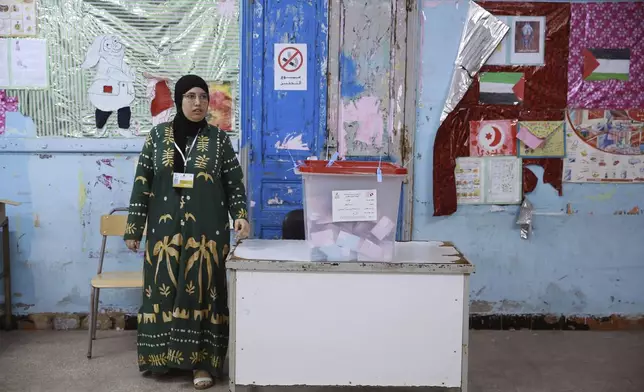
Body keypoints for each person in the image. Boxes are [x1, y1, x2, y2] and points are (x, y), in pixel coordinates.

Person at [124, 75, 250, 390]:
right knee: (162, 290)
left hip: (206, 233)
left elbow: (233, 183)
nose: (197, 103)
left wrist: (241, 216)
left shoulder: (219, 141)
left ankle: (202, 365)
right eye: (190, 96)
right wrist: (134, 228)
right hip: (164, 234)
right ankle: (164, 361)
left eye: (203, 97)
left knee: (203, 292)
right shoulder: (156, 137)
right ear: (179, 100)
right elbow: (142, 184)